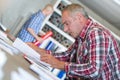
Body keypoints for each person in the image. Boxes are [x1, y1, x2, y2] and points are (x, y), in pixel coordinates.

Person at [28, 4, 120, 80]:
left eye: (67, 23)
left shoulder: (97, 34)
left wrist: (59, 65)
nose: (65, 29)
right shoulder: (81, 36)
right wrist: (40, 51)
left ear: (79, 18)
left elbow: (94, 70)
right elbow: (67, 56)